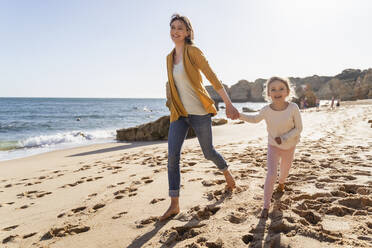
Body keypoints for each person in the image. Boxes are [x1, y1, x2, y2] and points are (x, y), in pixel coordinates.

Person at [161, 14, 239, 221]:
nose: (175, 31)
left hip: (200, 112)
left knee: (208, 152)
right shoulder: (169, 58)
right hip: (179, 114)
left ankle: (227, 174)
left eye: (180, 28)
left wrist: (228, 104)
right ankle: (174, 204)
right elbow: (172, 85)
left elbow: (211, 77)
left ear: (187, 32)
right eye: (173, 27)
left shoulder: (193, 51)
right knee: (172, 157)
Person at [238, 76, 303, 218]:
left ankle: (282, 184)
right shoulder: (266, 110)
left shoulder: (293, 108)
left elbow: (299, 128)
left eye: (281, 88)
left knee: (284, 172)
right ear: (268, 94)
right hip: (273, 146)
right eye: (273, 89)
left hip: (289, 146)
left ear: (287, 92)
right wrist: (239, 115)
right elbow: (255, 119)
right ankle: (266, 206)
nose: (277, 91)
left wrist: (284, 137)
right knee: (271, 173)